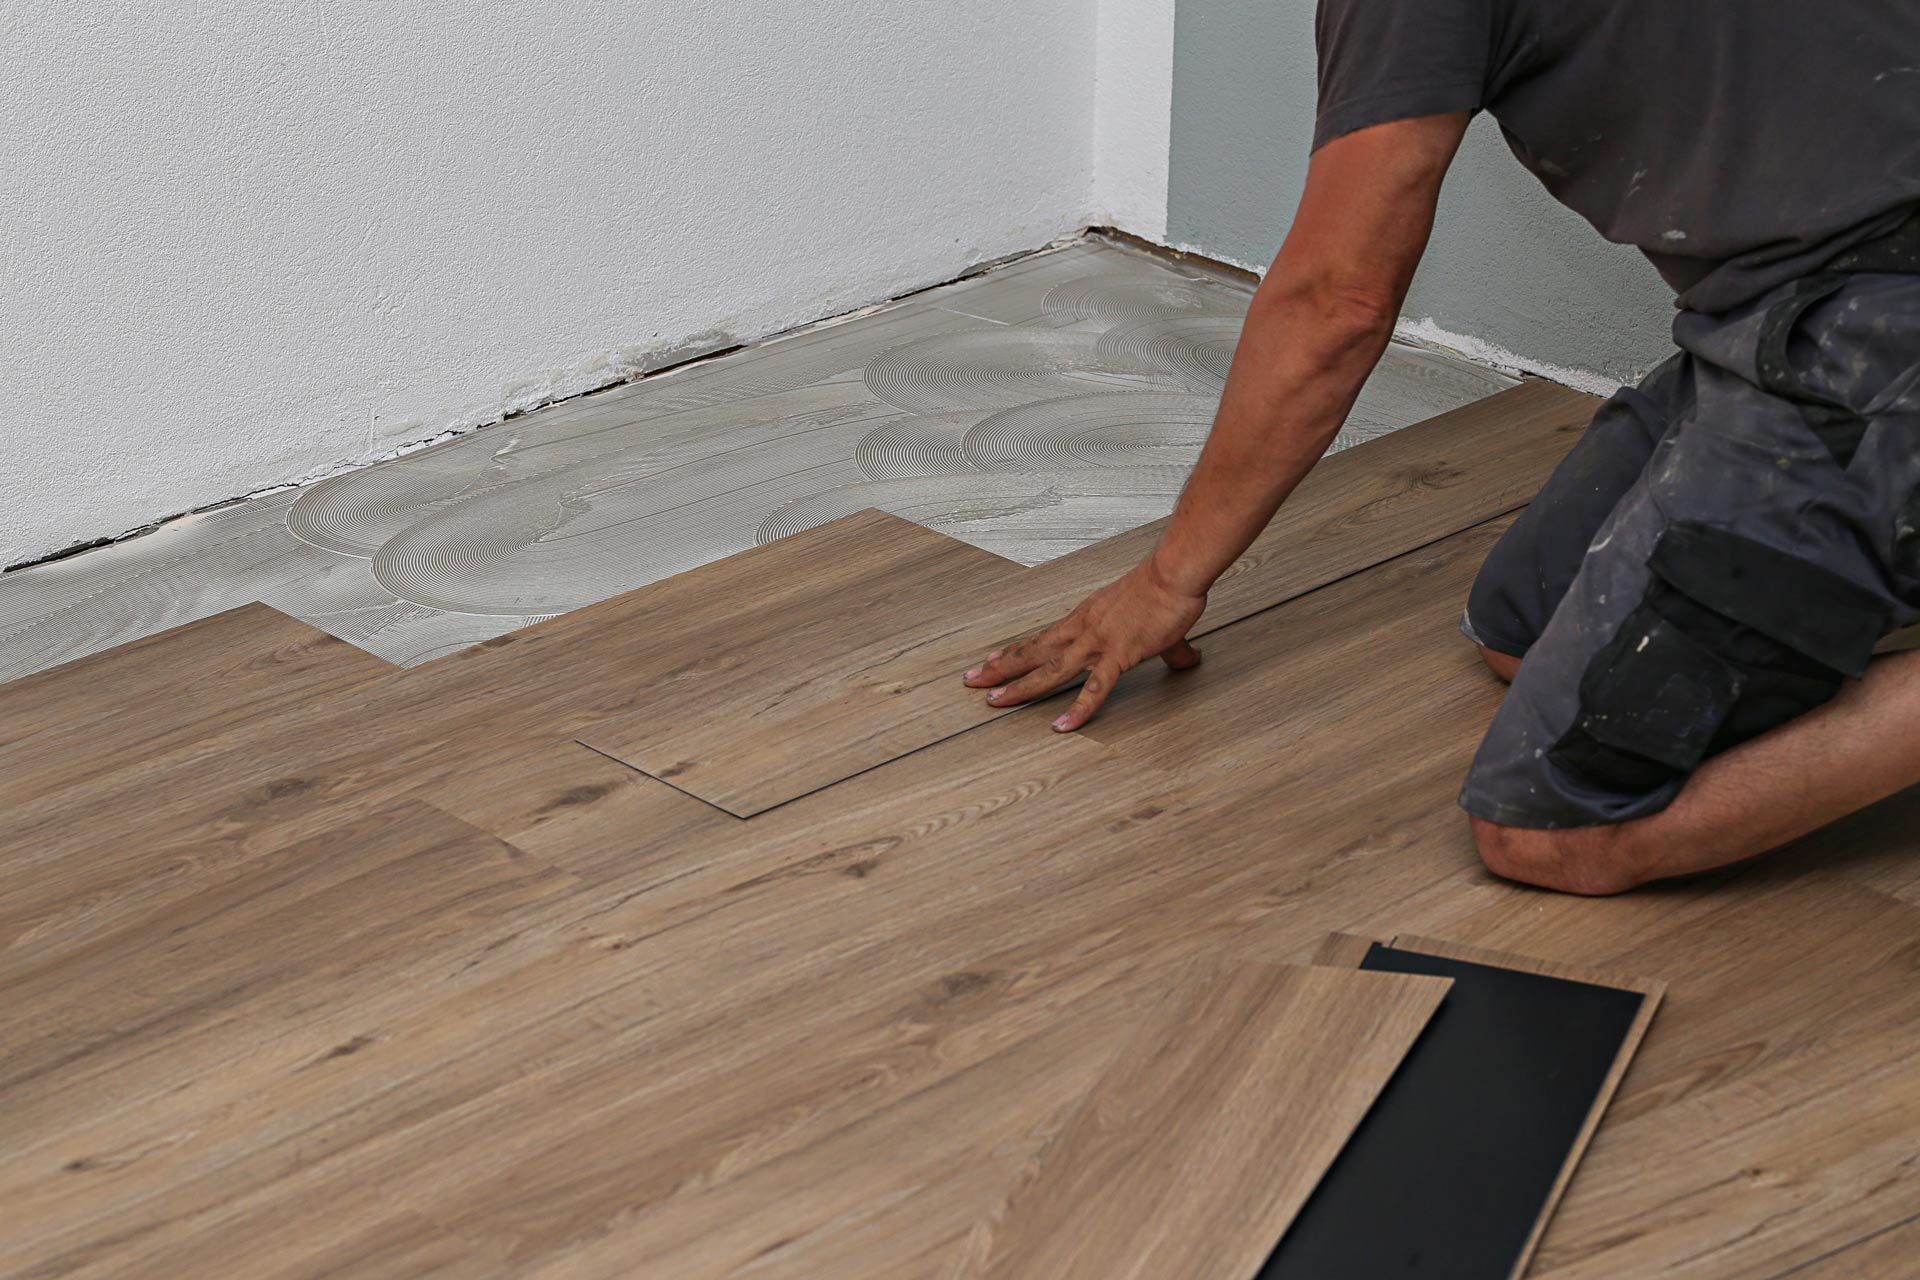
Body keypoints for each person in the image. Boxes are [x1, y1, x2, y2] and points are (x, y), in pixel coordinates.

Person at [961, 2, 1920, 894]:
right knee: (1521, 626)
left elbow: (1336, 305)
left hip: (1875, 330)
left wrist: (1169, 578)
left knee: (1549, 827)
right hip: (1790, 311)